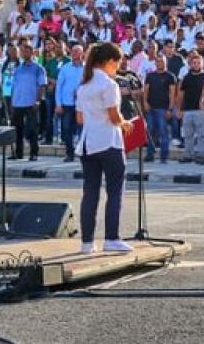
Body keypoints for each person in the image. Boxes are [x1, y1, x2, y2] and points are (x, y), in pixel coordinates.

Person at [74, 42, 133, 254]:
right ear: (109, 62)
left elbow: (79, 119)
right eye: (117, 63)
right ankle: (111, 238)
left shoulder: (84, 85)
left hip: (88, 143)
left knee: (90, 193)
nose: (118, 67)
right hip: (108, 141)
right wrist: (125, 123)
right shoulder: (109, 85)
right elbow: (114, 116)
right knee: (115, 190)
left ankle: (87, 243)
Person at [9, 45, 47, 161]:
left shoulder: (38, 68)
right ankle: (18, 153)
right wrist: (12, 101)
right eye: (23, 51)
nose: (25, 53)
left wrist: (37, 100)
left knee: (32, 130)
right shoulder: (18, 68)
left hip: (31, 103)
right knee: (17, 130)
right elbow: (14, 86)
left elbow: (42, 85)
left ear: (32, 53)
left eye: (27, 51)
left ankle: (33, 153)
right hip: (18, 102)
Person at [143, 56, 176, 163]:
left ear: (165, 62)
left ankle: (163, 156)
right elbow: (146, 91)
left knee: (163, 133)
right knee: (150, 132)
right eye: (157, 61)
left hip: (163, 108)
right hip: (151, 108)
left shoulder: (170, 76)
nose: (159, 63)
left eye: (161, 61)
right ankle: (149, 154)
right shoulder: (150, 76)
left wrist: (170, 109)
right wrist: (145, 103)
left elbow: (172, 94)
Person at [176, 53, 204, 164]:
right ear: (190, 64)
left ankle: (201, 155)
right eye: (194, 63)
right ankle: (188, 155)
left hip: (201, 110)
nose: (196, 65)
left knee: (202, 135)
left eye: (198, 63)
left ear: (202, 64)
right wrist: (179, 109)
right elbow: (181, 94)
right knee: (188, 135)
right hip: (187, 110)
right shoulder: (186, 77)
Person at [55, 46, 84, 162]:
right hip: (67, 104)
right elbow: (59, 86)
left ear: (82, 53)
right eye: (73, 51)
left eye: (77, 51)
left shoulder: (87, 68)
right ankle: (69, 153)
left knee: (82, 130)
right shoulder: (65, 68)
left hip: (82, 104)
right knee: (66, 129)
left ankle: (83, 153)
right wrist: (58, 104)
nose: (75, 53)